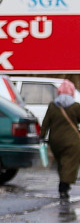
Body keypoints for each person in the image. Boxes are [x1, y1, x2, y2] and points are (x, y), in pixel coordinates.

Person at [44, 78, 80, 206]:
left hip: (55, 141)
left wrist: (42, 137)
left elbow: (46, 122)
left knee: (61, 163)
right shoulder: (76, 106)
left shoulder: (53, 106)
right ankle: (64, 186)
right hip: (72, 141)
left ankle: (63, 184)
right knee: (69, 163)